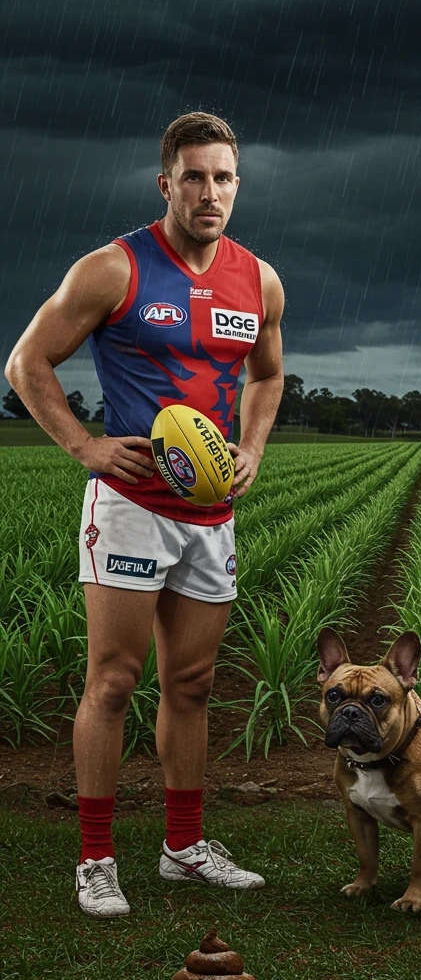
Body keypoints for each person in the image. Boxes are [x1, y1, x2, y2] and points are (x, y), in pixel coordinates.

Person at [4, 112, 285, 917]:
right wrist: (84, 447)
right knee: (114, 680)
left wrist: (256, 448)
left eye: (223, 177)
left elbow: (266, 377)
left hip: (211, 513)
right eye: (193, 177)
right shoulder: (113, 270)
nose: (209, 192)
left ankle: (184, 848)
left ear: (238, 185)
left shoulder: (258, 279)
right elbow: (27, 362)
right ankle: (96, 859)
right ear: (166, 184)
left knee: (191, 682)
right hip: (130, 506)